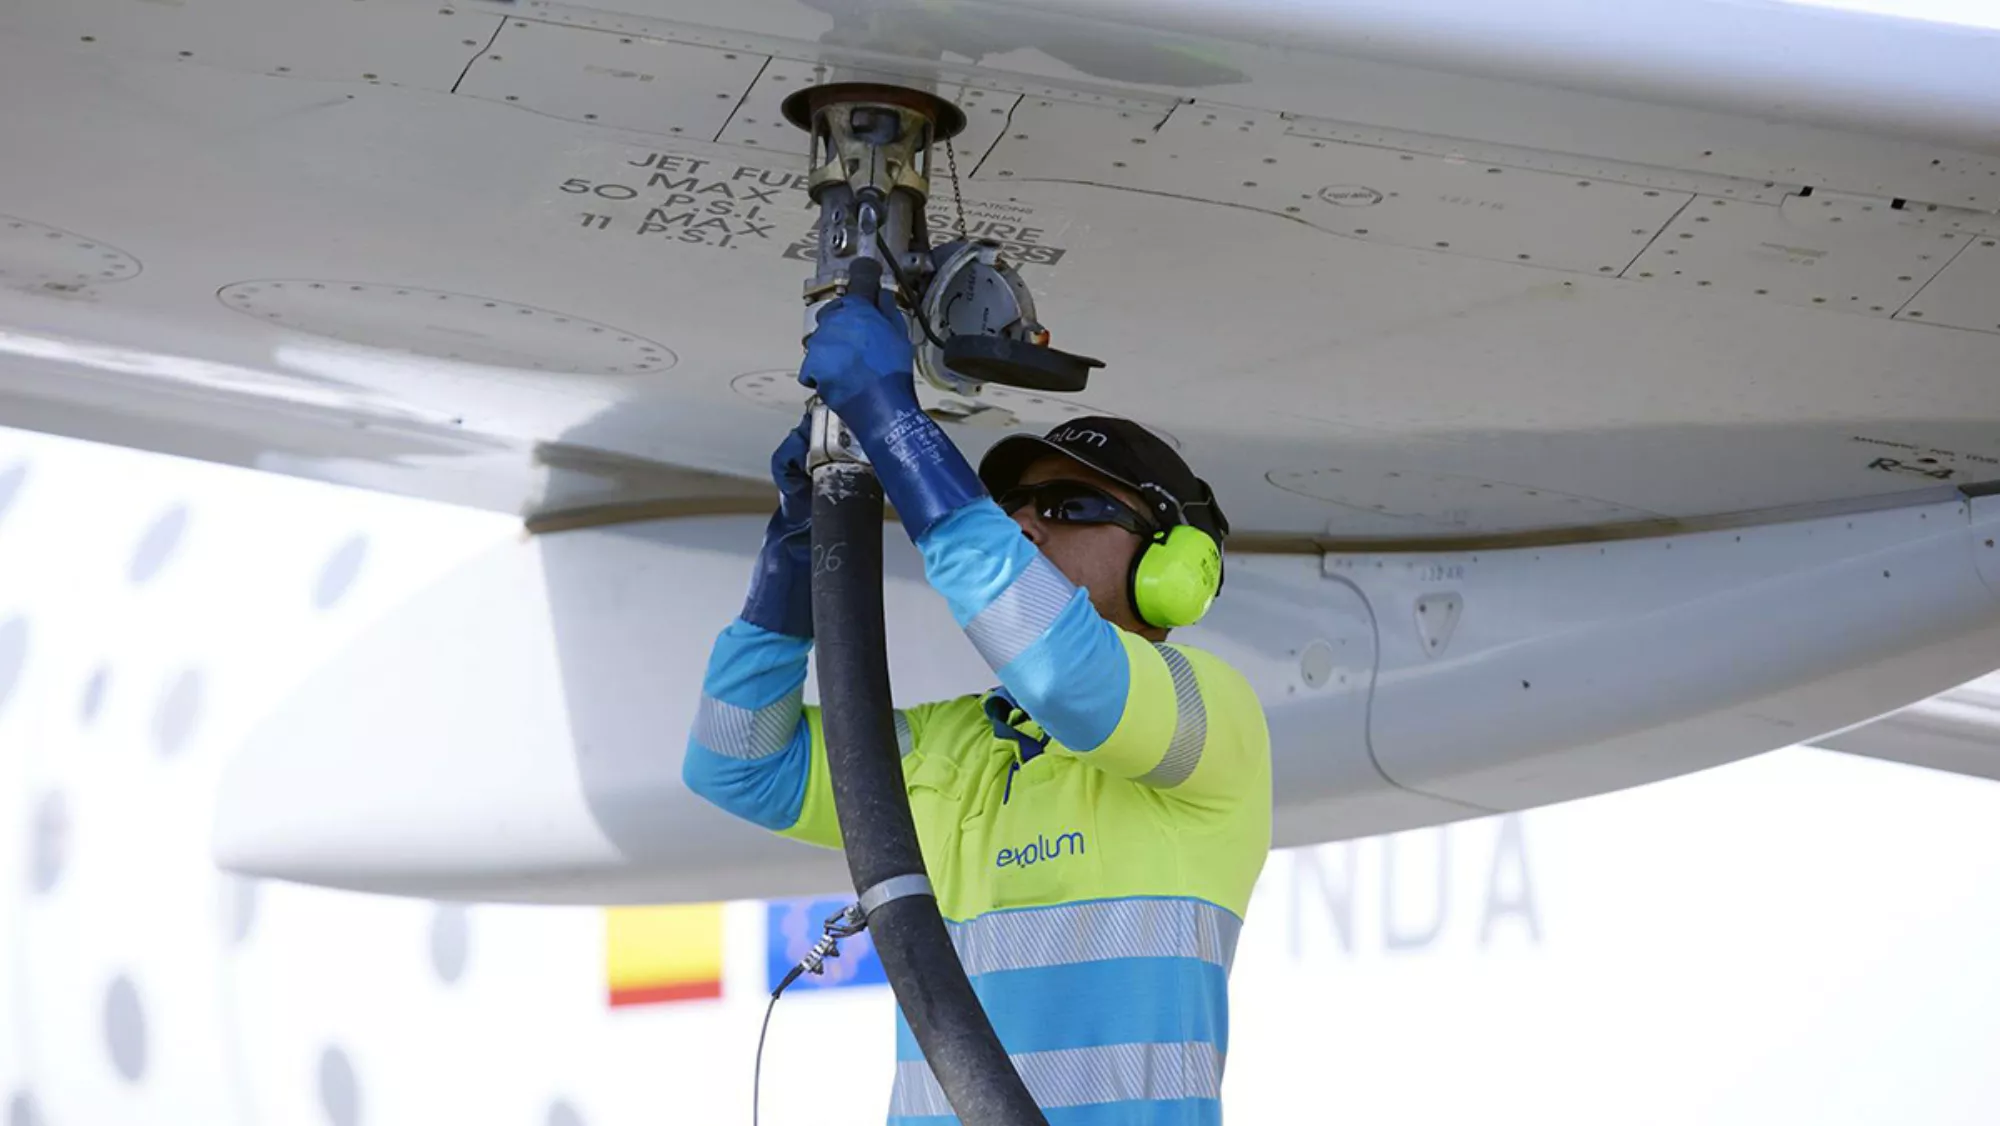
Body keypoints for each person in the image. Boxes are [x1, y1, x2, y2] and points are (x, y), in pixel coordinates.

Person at [683, 291, 1272, 1125]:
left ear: (1173, 567)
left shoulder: (1215, 716)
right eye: (1014, 508)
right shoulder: (956, 744)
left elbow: (1067, 675)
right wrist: (791, 556)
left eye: (1070, 507)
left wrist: (896, 424)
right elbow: (735, 762)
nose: (1028, 525)